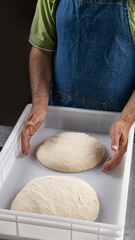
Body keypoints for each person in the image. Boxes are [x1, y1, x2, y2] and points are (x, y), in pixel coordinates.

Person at [21, 0, 135, 173]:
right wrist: (39, 104)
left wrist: (125, 121)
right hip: (58, 121)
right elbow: (42, 51)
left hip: (118, 127)